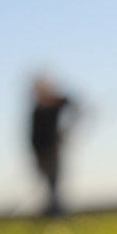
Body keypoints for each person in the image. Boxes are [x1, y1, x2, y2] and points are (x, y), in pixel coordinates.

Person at [28, 76, 80, 216]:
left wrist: (67, 130)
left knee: (54, 183)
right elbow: (34, 137)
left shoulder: (55, 103)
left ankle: (55, 212)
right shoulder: (37, 111)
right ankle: (51, 211)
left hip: (53, 151)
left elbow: (73, 104)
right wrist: (37, 154)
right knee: (49, 184)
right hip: (41, 153)